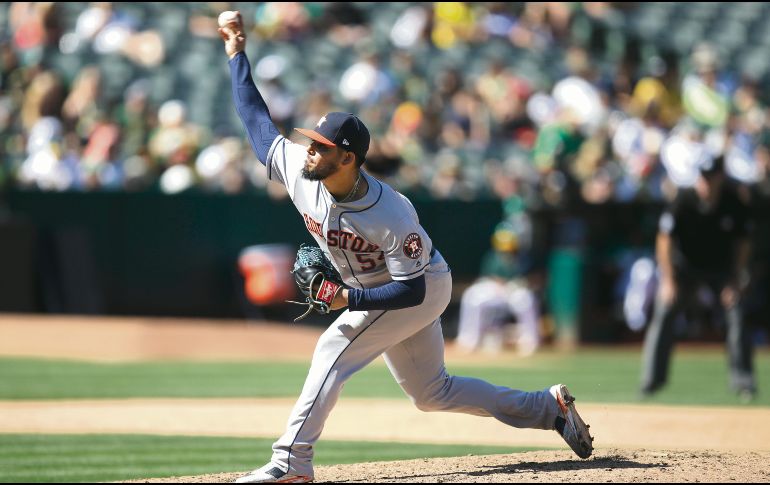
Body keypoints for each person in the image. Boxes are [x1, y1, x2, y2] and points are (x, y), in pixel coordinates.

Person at [219, 13, 593, 484]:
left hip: (418, 285)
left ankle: (292, 461)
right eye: (310, 143)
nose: (308, 150)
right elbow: (256, 121)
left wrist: (347, 299)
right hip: (379, 288)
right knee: (432, 392)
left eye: (320, 146)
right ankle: (547, 408)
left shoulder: (391, 213)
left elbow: (411, 293)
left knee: (333, 346)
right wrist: (237, 53)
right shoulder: (298, 168)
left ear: (347, 158)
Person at [640, 154, 756, 401]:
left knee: (736, 311)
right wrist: (668, 280)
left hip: (721, 269)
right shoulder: (684, 198)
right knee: (665, 310)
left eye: (710, 178)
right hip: (685, 269)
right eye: (702, 178)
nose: (705, 183)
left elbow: (743, 243)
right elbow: (664, 240)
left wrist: (736, 280)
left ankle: (743, 381)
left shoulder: (733, 201)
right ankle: (651, 381)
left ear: (719, 179)